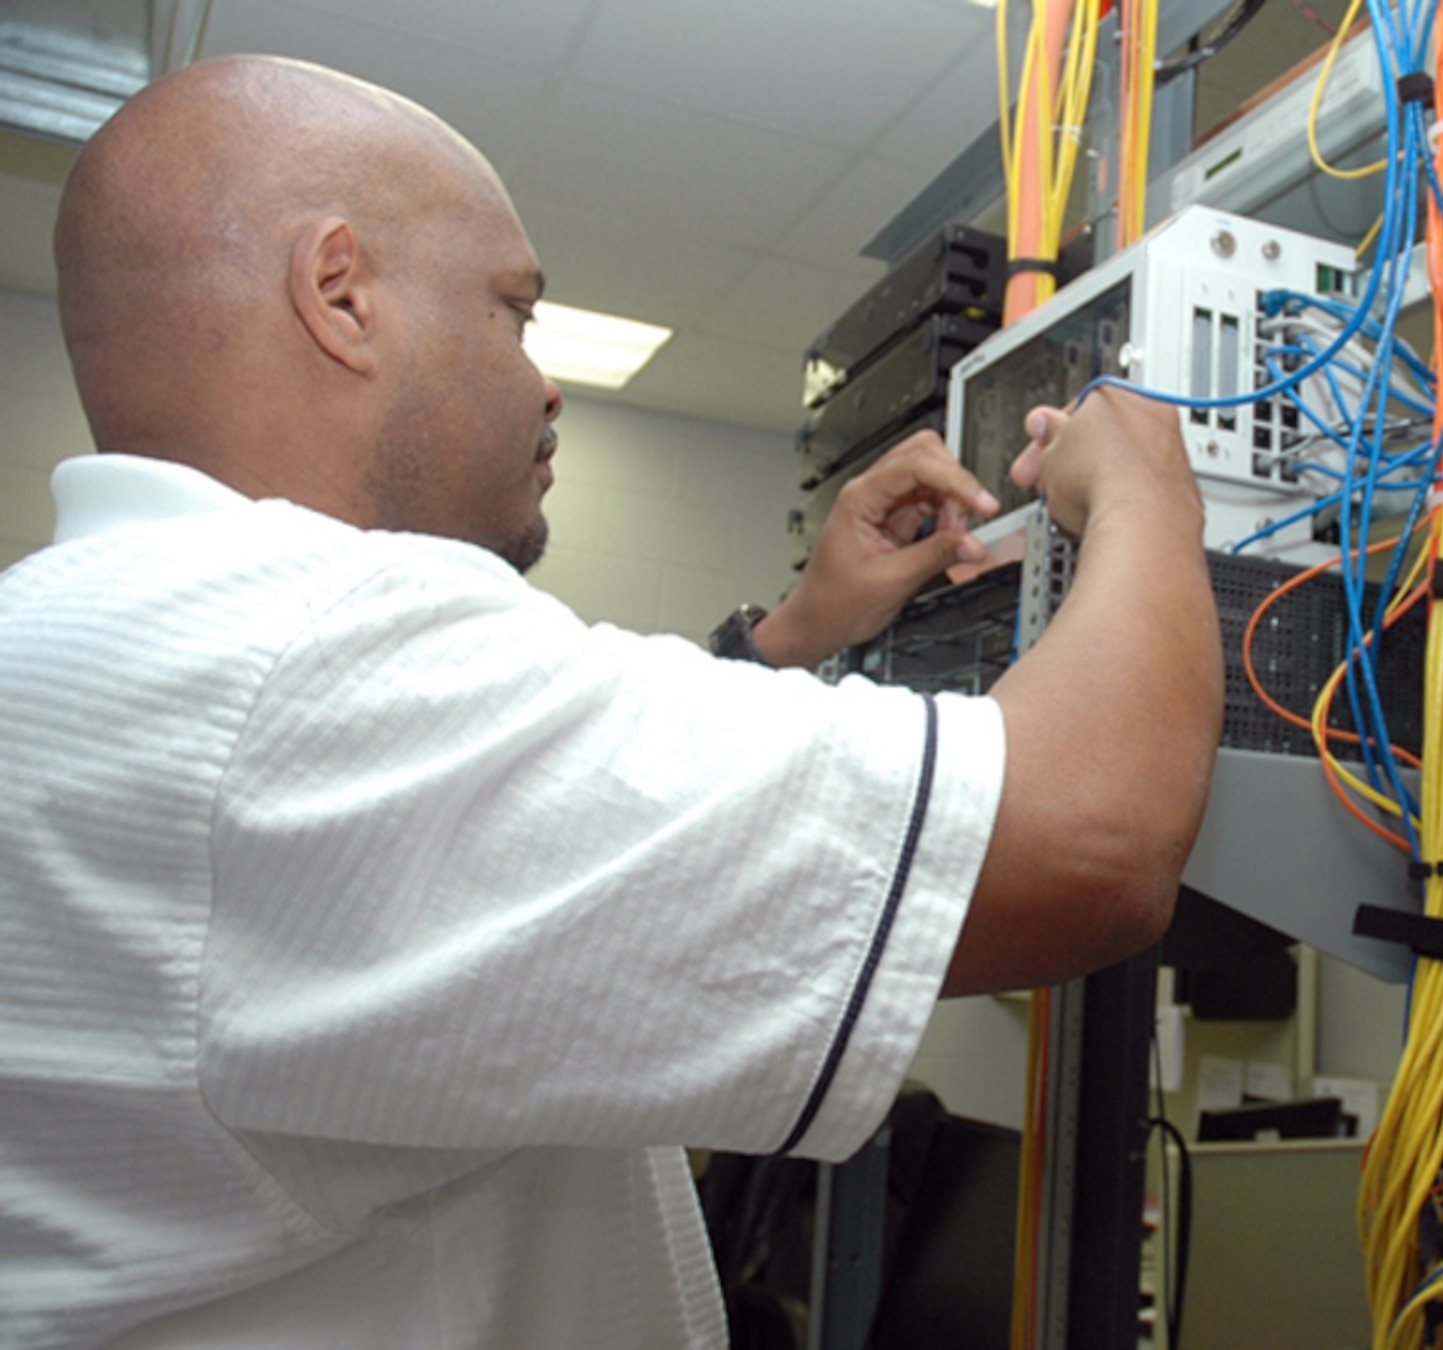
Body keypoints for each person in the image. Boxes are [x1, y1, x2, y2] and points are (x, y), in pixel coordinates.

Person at [0, 55, 1222, 1349]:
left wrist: (798, 634)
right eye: (513, 310)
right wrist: (1149, 486)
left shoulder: (104, 638)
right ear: (341, 293)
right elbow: (1091, 835)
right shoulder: (289, 663)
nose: (544, 379)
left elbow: (519, 867)